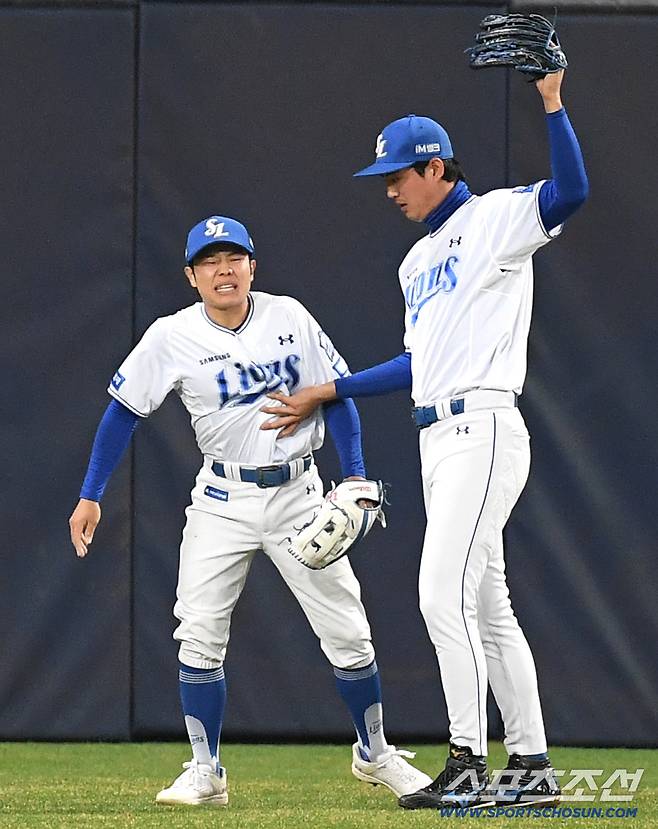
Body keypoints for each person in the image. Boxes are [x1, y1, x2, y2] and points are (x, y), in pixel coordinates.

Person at [260, 70, 588, 809]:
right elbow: (418, 363)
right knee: (488, 607)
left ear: (436, 168)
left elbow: (570, 193)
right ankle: (531, 767)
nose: (389, 190)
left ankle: (469, 760)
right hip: (436, 436)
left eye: (397, 175)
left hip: (485, 427)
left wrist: (552, 102)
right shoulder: (414, 261)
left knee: (441, 594)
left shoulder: (499, 218)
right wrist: (330, 388)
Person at [68, 216, 431, 807]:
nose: (224, 269)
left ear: (252, 267)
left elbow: (336, 397)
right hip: (222, 499)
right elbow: (123, 411)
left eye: (234, 257)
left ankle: (376, 753)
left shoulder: (289, 315)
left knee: (349, 633)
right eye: (210, 261)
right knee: (198, 633)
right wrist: (92, 493)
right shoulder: (170, 335)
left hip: (298, 494)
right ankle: (206, 770)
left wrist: (357, 474)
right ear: (191, 276)